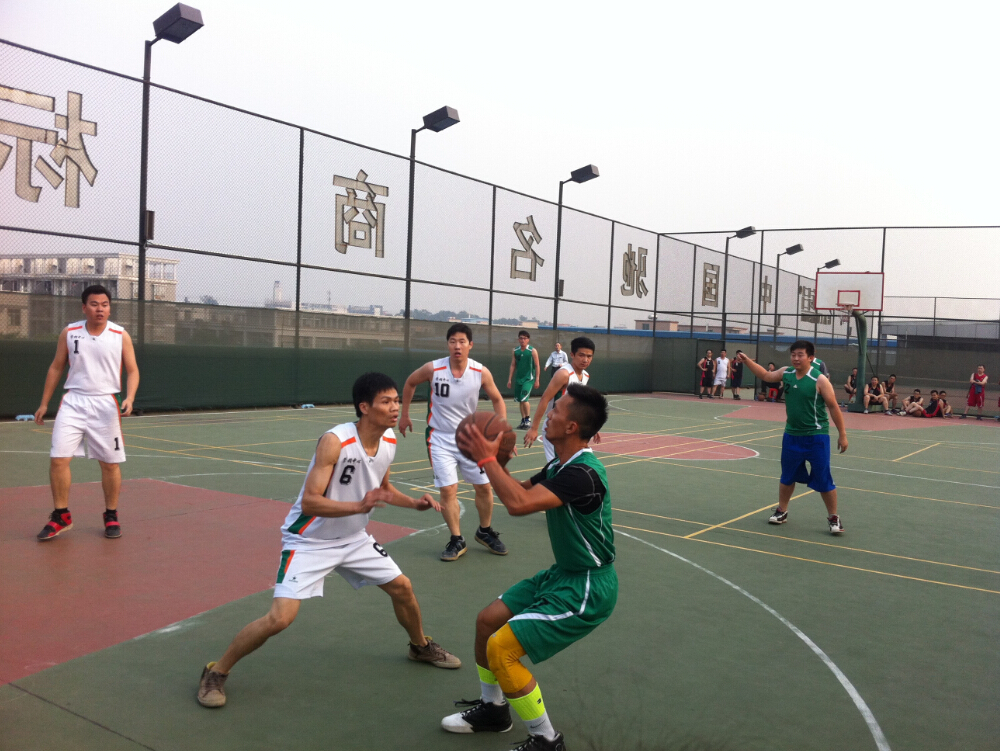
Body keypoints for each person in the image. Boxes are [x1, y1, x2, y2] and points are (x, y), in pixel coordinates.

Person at [196, 373, 461, 709]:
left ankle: (419, 646)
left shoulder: (389, 440)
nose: (395, 407)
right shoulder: (335, 441)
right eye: (386, 401)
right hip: (309, 540)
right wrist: (358, 506)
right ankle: (216, 672)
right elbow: (310, 502)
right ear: (364, 407)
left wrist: (414, 503)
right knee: (280, 619)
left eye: (397, 400)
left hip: (353, 538)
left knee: (402, 588)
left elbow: (382, 490)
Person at [442, 384, 615, 751]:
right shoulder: (559, 465)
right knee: (488, 621)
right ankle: (493, 710)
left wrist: (487, 459)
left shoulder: (582, 474)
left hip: (588, 587)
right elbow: (518, 489)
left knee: (501, 648)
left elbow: (519, 504)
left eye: (555, 411)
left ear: (571, 427)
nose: (547, 415)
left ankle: (546, 739)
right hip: (562, 575)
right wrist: (498, 461)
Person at [33, 285, 139, 541]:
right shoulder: (70, 332)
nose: (100, 309)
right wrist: (44, 403)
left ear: (109, 308)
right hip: (74, 402)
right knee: (58, 459)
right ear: (84, 307)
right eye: (94, 304)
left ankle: (111, 515)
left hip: (106, 404)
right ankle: (61, 516)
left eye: (105, 304)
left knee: (109, 464)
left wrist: (130, 398)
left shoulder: (120, 334)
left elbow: (133, 370)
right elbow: (56, 367)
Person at [400, 323, 509, 561]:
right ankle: (457, 539)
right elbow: (410, 382)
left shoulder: (480, 372)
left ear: (470, 345)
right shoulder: (433, 368)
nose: (457, 346)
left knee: (484, 487)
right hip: (440, 438)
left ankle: (485, 531)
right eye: (452, 341)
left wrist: (500, 430)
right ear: (447, 344)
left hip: (471, 439)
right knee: (448, 489)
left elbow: (498, 400)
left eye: (462, 341)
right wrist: (404, 414)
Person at [737, 341, 848, 535]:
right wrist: (747, 361)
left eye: (800, 355)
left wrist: (843, 435)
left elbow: (833, 407)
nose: (796, 358)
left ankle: (833, 518)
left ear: (810, 357)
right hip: (792, 435)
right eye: (793, 355)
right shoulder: (786, 373)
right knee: (787, 476)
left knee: (823, 478)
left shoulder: (819, 379)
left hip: (816, 437)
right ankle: (782, 511)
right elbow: (766, 375)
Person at [524, 337, 599, 464]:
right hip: (555, 427)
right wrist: (534, 428)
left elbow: (580, 405)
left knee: (571, 466)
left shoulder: (585, 375)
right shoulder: (564, 374)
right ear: (572, 354)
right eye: (581, 355)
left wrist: (591, 426)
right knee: (557, 466)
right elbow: (545, 399)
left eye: (589, 356)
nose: (585, 360)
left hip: (570, 429)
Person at [508, 331, 541, 430]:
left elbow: (537, 365)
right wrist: (509, 379)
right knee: (520, 400)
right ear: (518, 339)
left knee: (524, 399)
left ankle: (528, 419)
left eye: (525, 338)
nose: (523, 340)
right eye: (521, 338)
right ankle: (523, 420)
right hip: (519, 379)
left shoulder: (532, 351)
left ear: (528, 340)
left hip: (528, 379)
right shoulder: (515, 351)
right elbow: (513, 365)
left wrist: (537, 379)